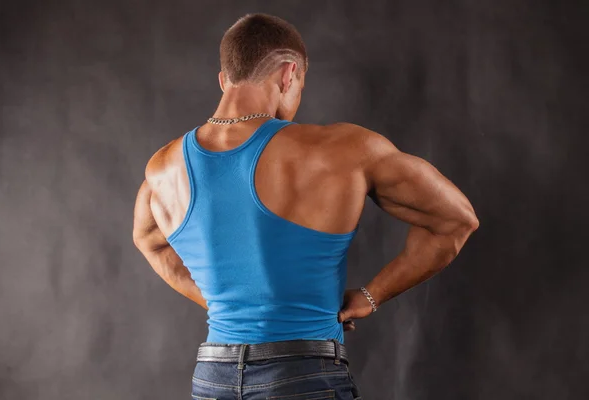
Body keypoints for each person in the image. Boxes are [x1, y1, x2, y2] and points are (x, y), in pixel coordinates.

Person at [132, 13, 479, 400]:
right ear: (288, 74)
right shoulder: (344, 149)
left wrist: (224, 302)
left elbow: (150, 242)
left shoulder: (162, 167)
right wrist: (370, 296)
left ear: (224, 79)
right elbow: (456, 219)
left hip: (213, 377)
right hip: (302, 374)